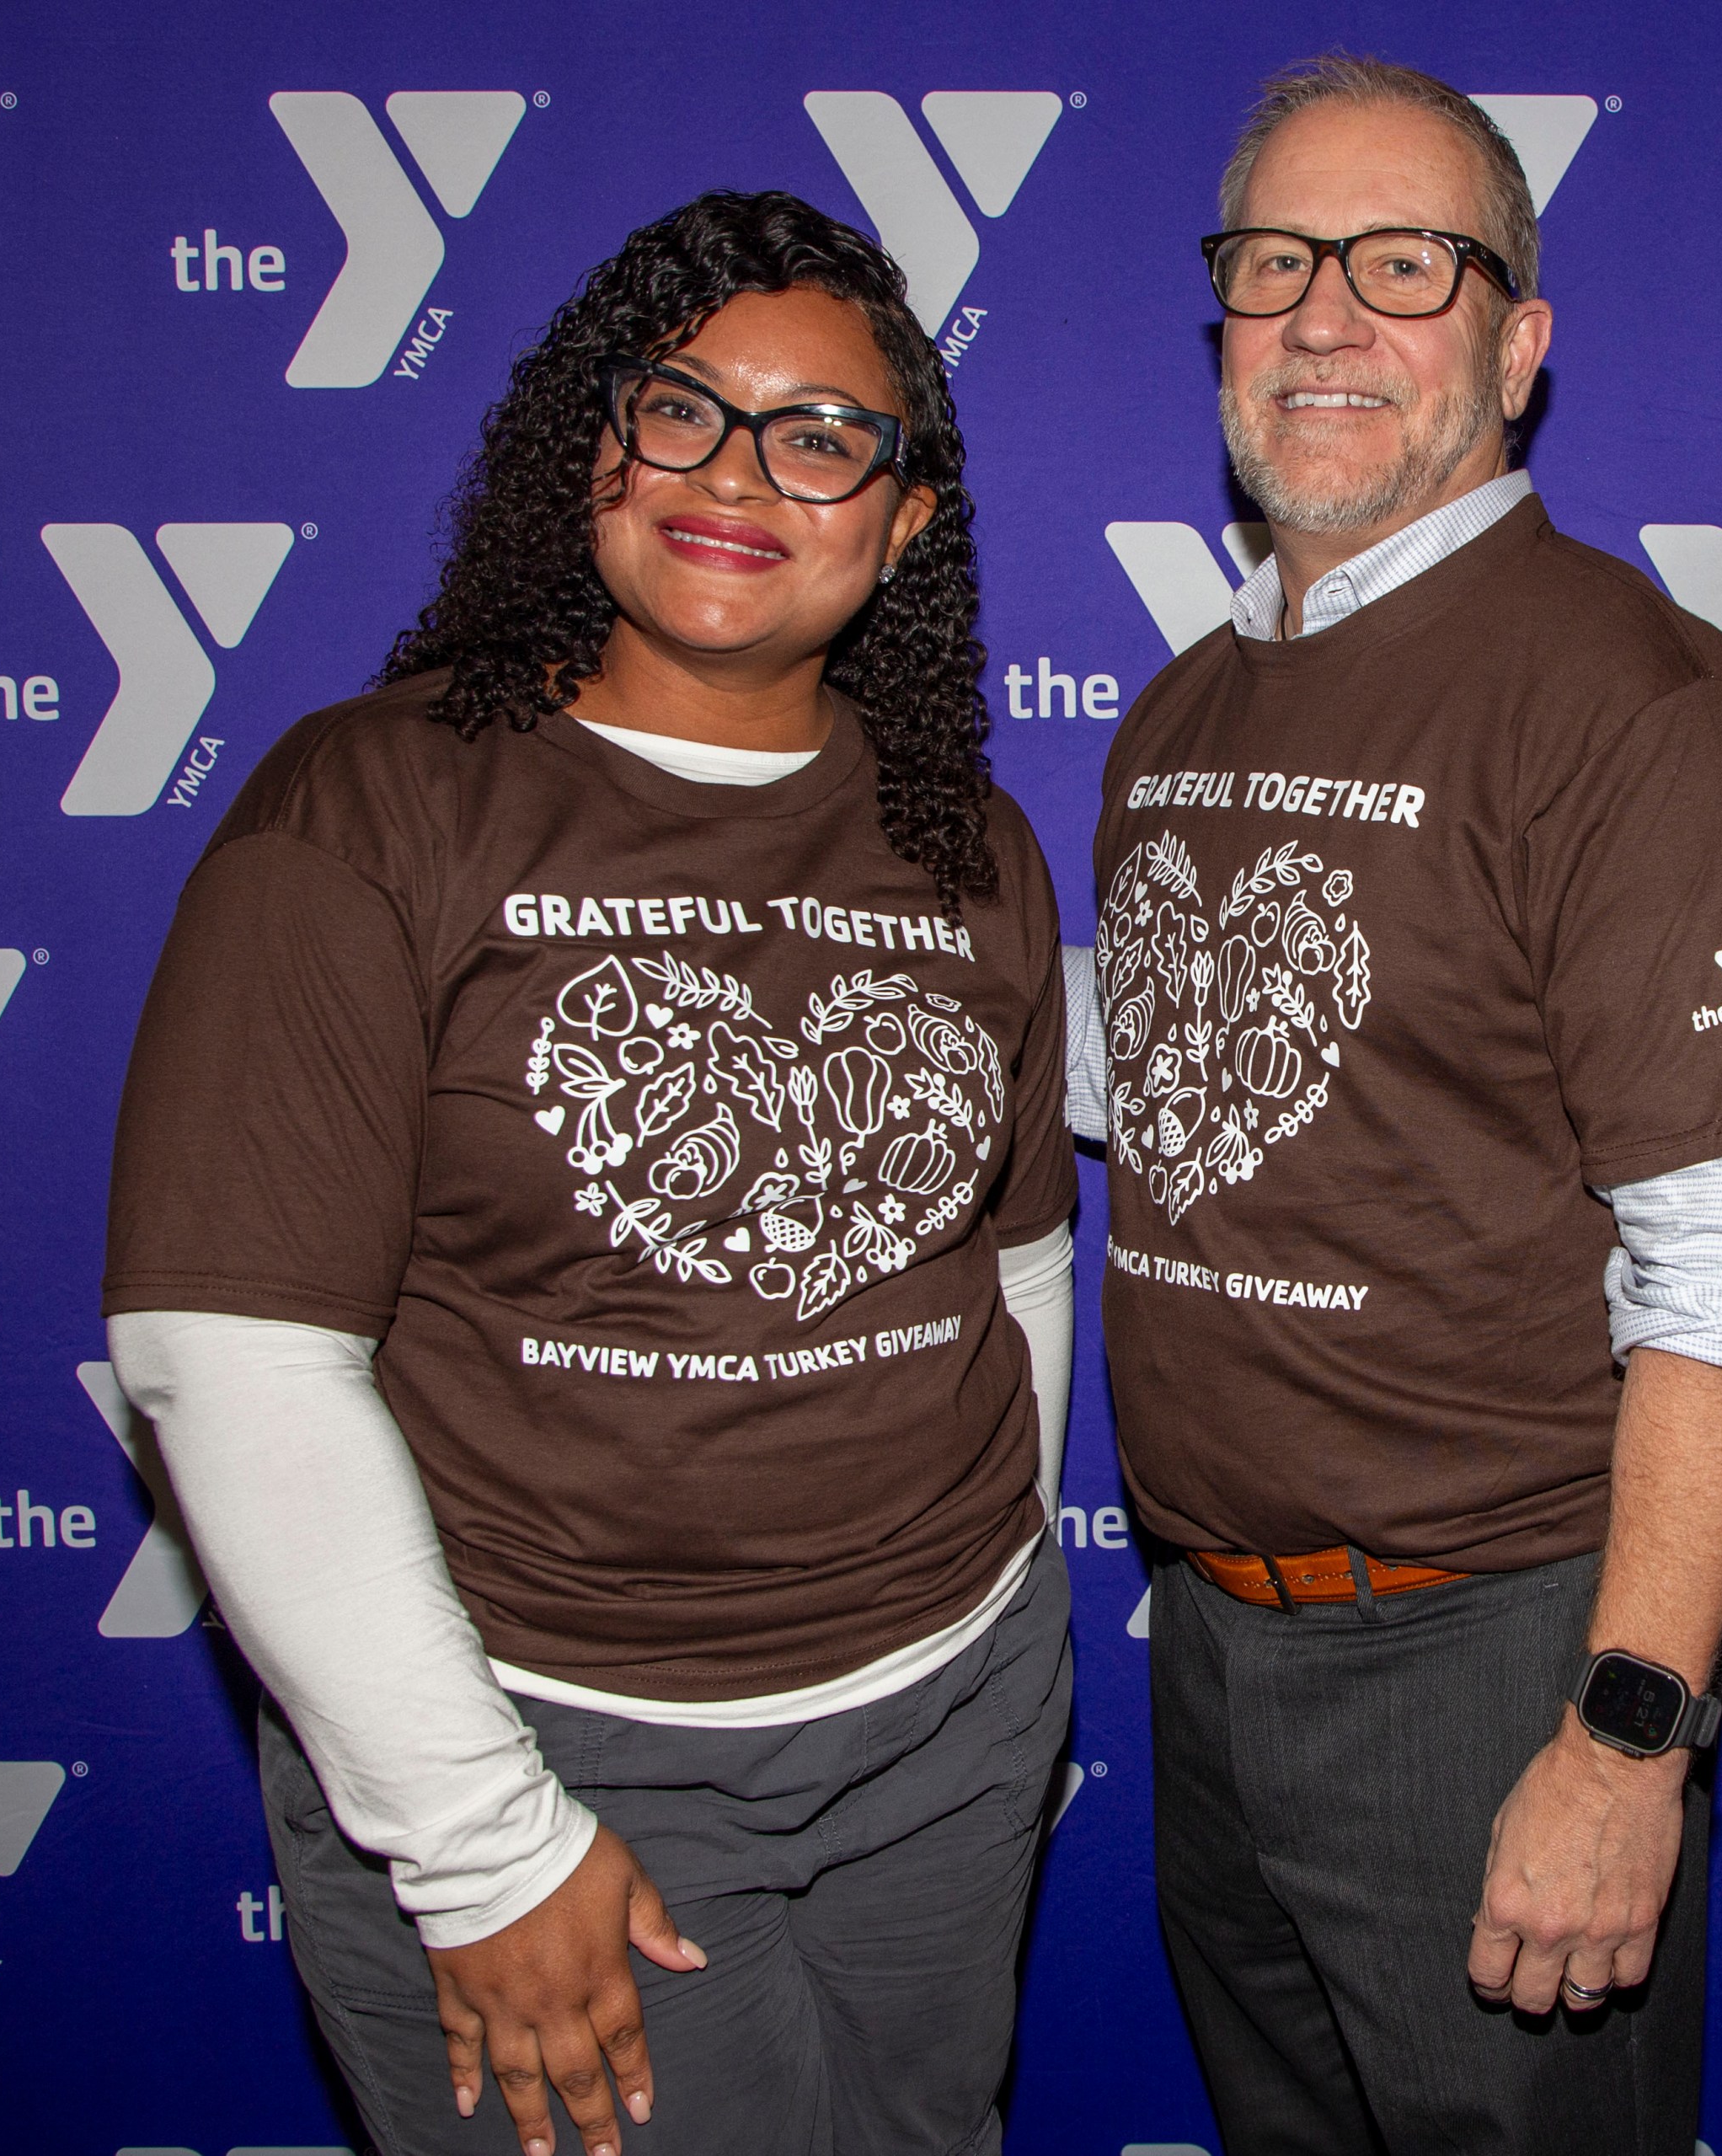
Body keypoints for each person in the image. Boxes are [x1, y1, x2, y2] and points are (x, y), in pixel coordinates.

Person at [103, 192, 1076, 2156]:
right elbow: (226, 1356)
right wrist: (478, 1845)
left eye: (822, 435)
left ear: (905, 521)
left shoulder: (969, 840)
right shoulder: (371, 802)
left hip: (946, 1736)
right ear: (592, 447)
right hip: (554, 1758)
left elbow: (1016, 1269)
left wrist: (1000, 1630)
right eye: (685, 410)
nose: (742, 475)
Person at [1067, 55, 1722, 2156]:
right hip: (1214, 1654)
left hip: (1493, 1662)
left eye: (1404, 264)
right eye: (1274, 263)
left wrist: (1623, 1735)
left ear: (1517, 341)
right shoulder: (1183, 708)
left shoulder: (1636, 702)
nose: (1326, 315)